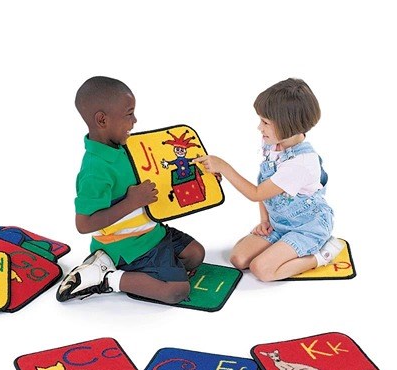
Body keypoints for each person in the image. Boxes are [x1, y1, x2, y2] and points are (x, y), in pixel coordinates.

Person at [56, 76, 205, 304]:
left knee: (196, 254)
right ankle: (106, 278)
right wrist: (131, 202)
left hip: (152, 233)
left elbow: (161, 175)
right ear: (102, 120)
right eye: (129, 114)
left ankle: (128, 270)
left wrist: (203, 176)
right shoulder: (95, 169)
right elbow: (83, 224)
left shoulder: (128, 147)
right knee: (176, 291)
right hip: (126, 246)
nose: (134, 121)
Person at [193, 78, 343, 282]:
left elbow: (257, 193)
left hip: (307, 227)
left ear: (287, 125)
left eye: (265, 123)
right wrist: (264, 220)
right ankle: (282, 246)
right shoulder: (274, 143)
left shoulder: (300, 164)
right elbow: (264, 183)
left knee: (262, 270)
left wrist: (224, 167)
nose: (259, 128)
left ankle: (321, 255)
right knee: (238, 258)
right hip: (279, 223)